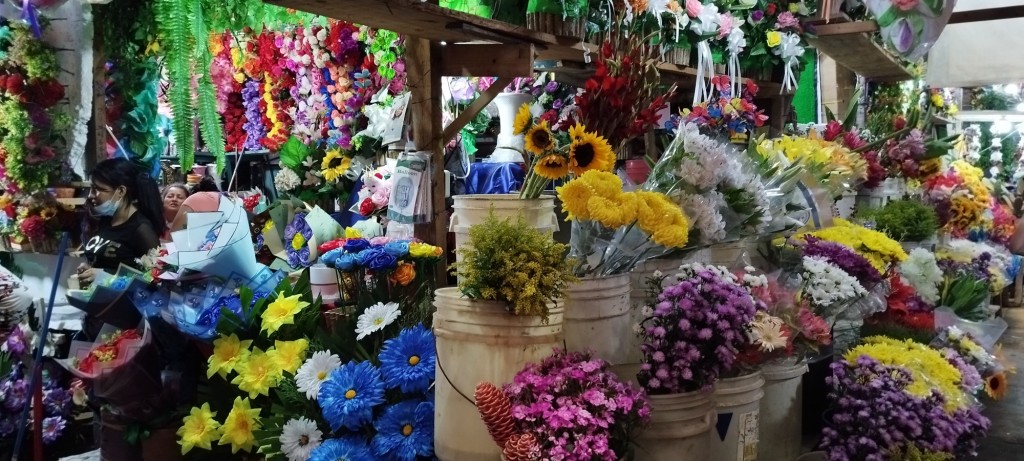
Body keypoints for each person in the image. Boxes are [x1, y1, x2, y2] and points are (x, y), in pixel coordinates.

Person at [77, 158, 166, 287]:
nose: (91, 195)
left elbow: (156, 278)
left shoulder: (141, 228)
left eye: (97, 189)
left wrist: (108, 277)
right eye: (91, 189)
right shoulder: (106, 220)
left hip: (122, 304)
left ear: (121, 191)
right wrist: (89, 267)